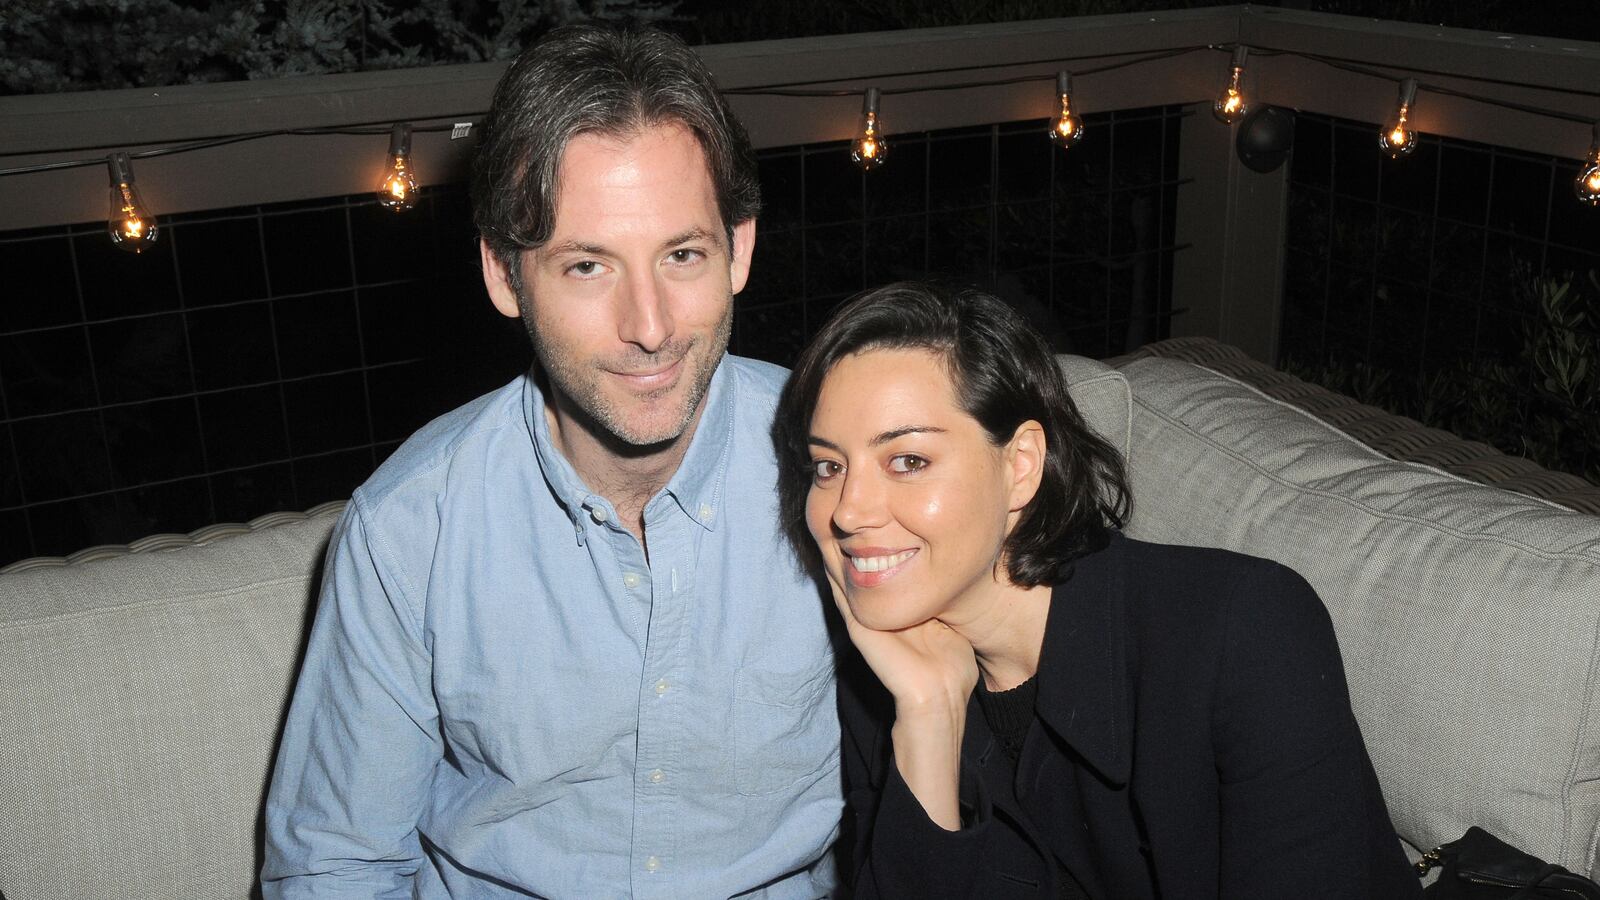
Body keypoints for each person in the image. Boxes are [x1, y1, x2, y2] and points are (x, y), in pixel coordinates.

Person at [262, 25, 842, 897]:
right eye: (587, 266)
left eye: (682, 255)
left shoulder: (847, 465)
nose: (650, 327)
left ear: (740, 250)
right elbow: (335, 865)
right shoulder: (411, 531)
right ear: (505, 275)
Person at [772, 282, 1421, 898]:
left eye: (908, 461)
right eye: (828, 466)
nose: (847, 511)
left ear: (1020, 465)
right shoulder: (889, 673)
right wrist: (928, 719)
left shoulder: (1246, 633)